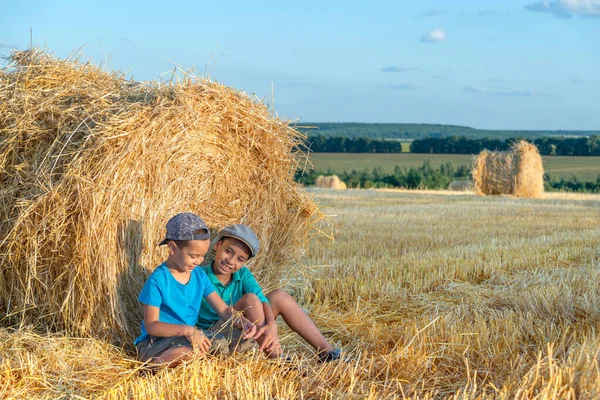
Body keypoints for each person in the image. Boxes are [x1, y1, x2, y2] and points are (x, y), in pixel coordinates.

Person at [196, 224, 343, 362]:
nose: (231, 261)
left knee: (279, 296)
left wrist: (272, 324)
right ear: (217, 245)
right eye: (228, 251)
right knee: (250, 300)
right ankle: (278, 359)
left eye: (240, 259)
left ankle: (327, 352)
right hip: (213, 339)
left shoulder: (243, 274)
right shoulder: (199, 276)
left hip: (246, 332)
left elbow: (260, 297)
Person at [134, 213, 257, 367]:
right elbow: (152, 326)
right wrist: (187, 330)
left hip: (188, 338)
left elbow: (224, 310)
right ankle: (150, 368)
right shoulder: (158, 280)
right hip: (155, 344)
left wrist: (243, 322)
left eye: (202, 256)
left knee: (247, 338)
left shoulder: (198, 275)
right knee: (190, 352)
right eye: (193, 256)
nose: (199, 261)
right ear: (173, 248)